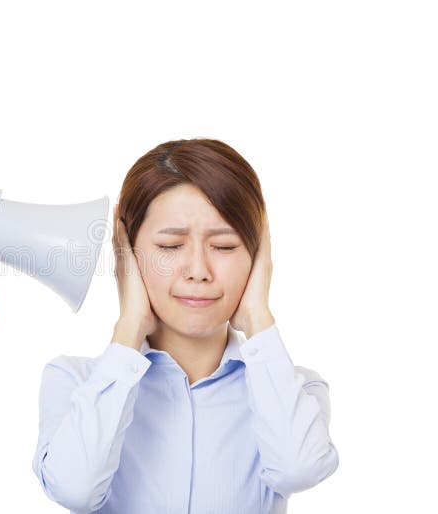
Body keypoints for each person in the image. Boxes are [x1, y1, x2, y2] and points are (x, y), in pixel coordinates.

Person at [33, 139, 338, 513]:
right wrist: (129, 326)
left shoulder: (294, 389)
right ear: (126, 252)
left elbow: (298, 470)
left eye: (225, 246)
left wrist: (259, 316)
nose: (198, 271)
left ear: (258, 254)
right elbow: (75, 490)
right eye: (170, 246)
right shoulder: (76, 381)